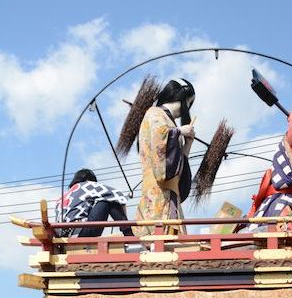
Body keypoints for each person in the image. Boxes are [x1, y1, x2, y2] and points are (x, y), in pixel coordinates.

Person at [135, 79, 195, 234]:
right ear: (182, 98)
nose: (187, 108)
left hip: (169, 196)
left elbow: (177, 162)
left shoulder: (170, 122)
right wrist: (180, 131)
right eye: (189, 103)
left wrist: (187, 144)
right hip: (157, 194)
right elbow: (159, 135)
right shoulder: (154, 113)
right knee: (159, 243)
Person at [55, 169, 132, 238]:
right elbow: (117, 195)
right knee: (107, 200)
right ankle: (129, 235)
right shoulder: (87, 185)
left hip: (64, 237)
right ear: (89, 179)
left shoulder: (62, 198)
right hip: (81, 231)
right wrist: (124, 220)